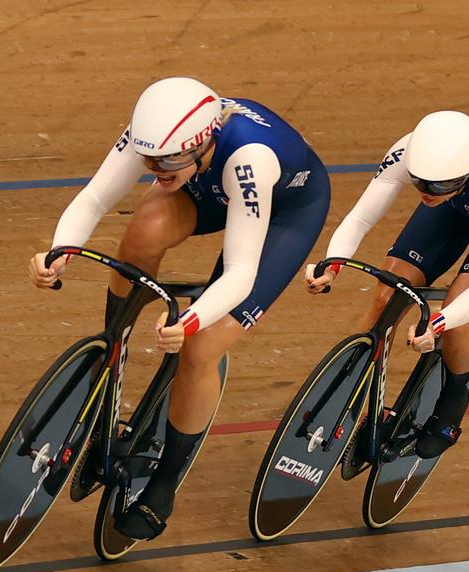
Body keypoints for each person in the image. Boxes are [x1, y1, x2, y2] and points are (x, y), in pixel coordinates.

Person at [29, 77, 330, 540]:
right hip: (207, 185)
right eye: (149, 160)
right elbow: (93, 198)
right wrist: (60, 250)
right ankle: (113, 361)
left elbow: (240, 273)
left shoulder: (251, 159)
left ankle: (165, 482)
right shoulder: (160, 136)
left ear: (203, 141)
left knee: (202, 345)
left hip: (283, 213)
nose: (154, 170)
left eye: (167, 161)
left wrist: (189, 319)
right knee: (144, 228)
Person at [304, 110, 469, 459]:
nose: (426, 192)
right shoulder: (412, 154)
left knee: (458, 326)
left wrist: (439, 322)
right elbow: (359, 217)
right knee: (386, 296)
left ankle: (452, 403)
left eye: (438, 186)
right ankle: (350, 390)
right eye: (419, 182)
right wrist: (332, 265)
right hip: (454, 206)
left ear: (465, 174)